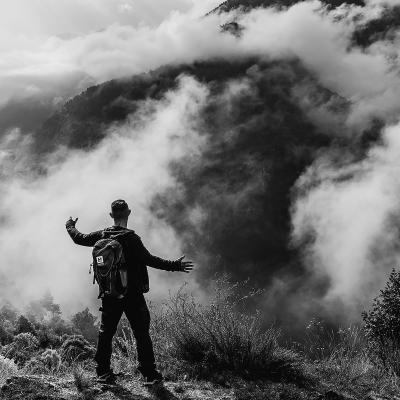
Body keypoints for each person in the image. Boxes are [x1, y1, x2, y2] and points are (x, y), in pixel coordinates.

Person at [65, 199, 194, 385]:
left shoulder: (102, 234)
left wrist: (70, 224)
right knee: (141, 332)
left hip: (110, 293)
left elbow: (79, 238)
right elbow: (150, 260)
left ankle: (102, 372)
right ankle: (149, 374)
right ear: (129, 213)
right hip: (133, 294)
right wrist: (176, 266)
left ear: (111, 215)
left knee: (106, 332)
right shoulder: (132, 239)